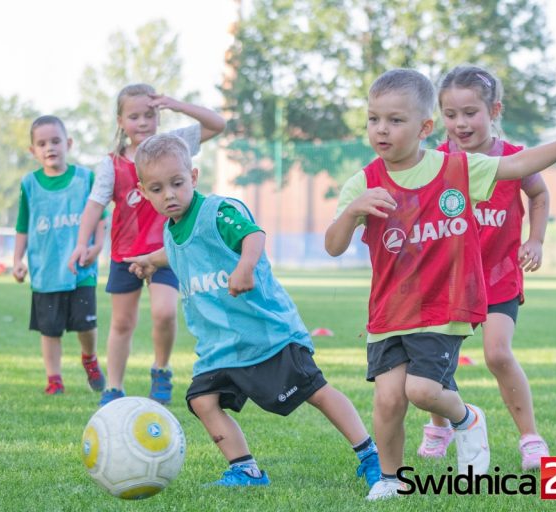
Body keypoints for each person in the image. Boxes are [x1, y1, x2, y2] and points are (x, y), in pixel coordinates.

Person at [324, 68, 556, 500]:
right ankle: (391, 479)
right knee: (388, 401)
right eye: (374, 119)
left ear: (424, 128)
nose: (382, 129)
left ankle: (467, 418)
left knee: (421, 391)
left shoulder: (456, 168)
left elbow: (517, 166)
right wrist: (350, 211)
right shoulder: (364, 182)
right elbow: (334, 246)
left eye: (395, 121)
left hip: (444, 307)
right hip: (388, 311)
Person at [124, 133, 381, 490]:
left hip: (267, 335)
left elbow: (254, 236)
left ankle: (370, 454)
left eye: (177, 183)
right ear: (143, 190)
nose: (168, 194)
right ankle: (245, 470)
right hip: (221, 346)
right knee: (202, 400)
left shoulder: (218, 212)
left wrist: (245, 267)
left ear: (194, 177)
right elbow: (184, 251)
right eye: (156, 188)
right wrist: (152, 260)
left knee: (315, 392)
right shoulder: (172, 229)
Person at [416, 65, 551, 471]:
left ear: (494, 110)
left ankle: (531, 440)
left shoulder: (513, 158)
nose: (460, 123)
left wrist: (536, 239)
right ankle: (439, 426)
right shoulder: (436, 159)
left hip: (498, 277)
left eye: (470, 112)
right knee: (435, 361)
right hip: (448, 280)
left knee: (497, 353)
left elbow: (539, 193)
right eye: (451, 114)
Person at [67, 84, 225, 407]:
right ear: (120, 121)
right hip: (126, 255)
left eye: (150, 114)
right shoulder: (111, 165)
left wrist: (175, 103)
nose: (142, 122)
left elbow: (217, 125)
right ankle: (113, 387)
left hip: (167, 253)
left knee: (164, 313)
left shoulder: (174, 145)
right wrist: (81, 244)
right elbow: (95, 206)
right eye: (134, 116)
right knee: (122, 322)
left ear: (159, 115)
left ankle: (162, 369)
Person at [13, 115, 107, 395]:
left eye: (55, 141)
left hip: (82, 270)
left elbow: (101, 217)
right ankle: (54, 379)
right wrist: (17, 261)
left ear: (68, 143)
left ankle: (89, 358)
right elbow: (22, 226)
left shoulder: (85, 178)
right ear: (33, 151)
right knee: (50, 330)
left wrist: (98, 247)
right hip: (46, 271)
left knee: (85, 325)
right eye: (42, 143)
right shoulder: (29, 184)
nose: (49, 147)